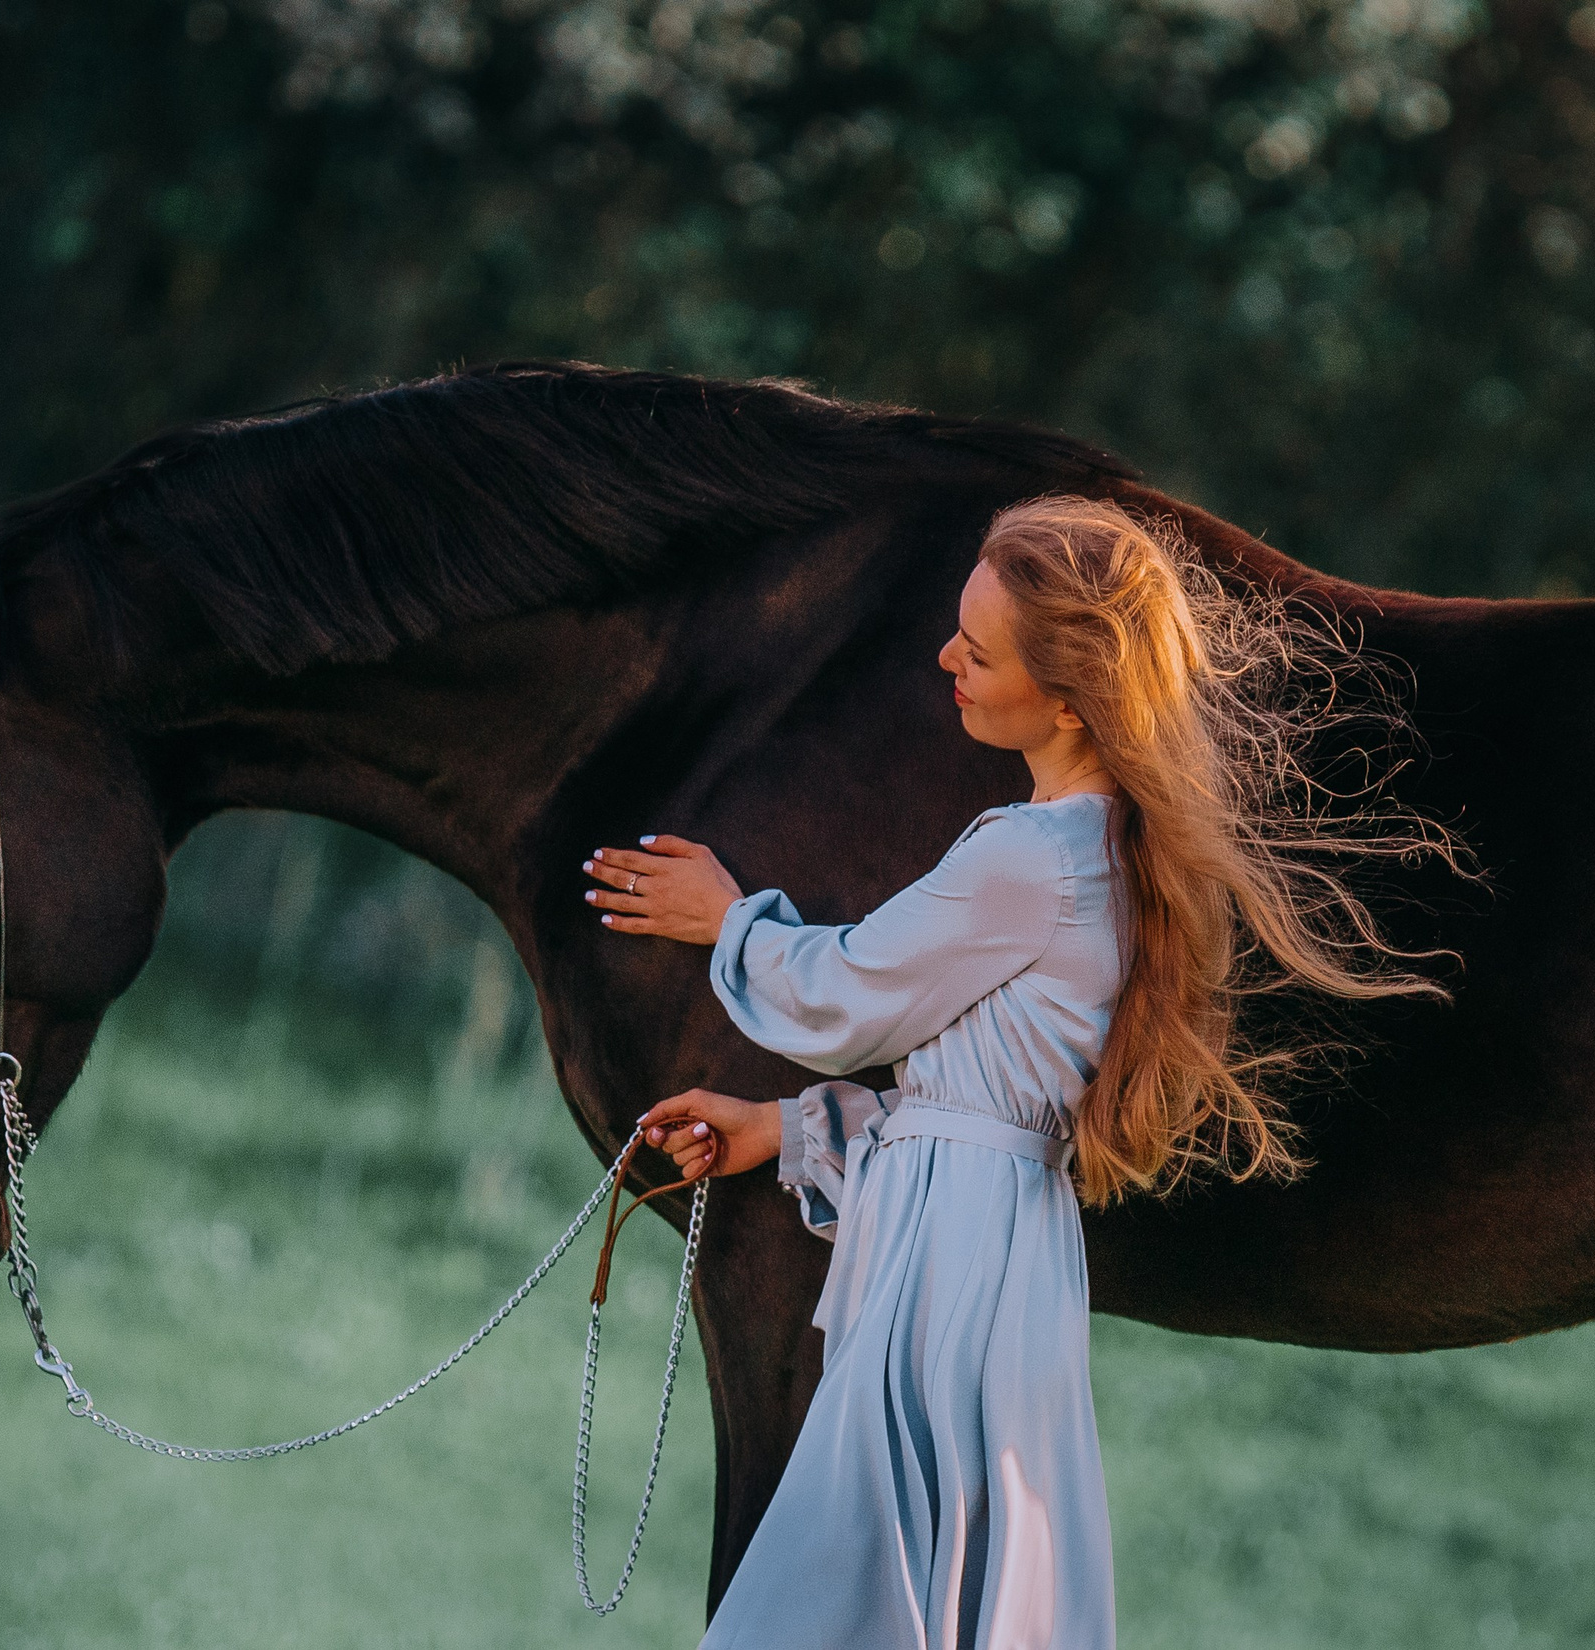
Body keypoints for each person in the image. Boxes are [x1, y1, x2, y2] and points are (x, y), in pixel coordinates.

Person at [579, 496, 1464, 1649]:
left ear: (1067, 698)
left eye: (977, 649)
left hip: (951, 1270)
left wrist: (728, 922)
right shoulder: (1097, 849)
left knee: (846, 1590)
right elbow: (974, 1101)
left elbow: (848, 993)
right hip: (995, 1248)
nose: (944, 657)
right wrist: (785, 1133)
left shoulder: (1026, 858)